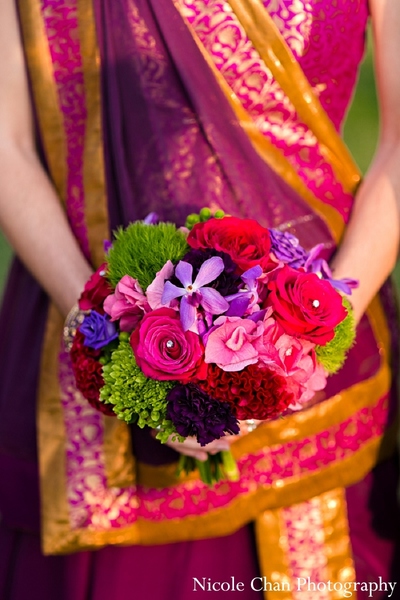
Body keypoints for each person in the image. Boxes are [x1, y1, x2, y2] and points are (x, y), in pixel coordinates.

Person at [0, 0, 399, 599]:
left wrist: (302, 344)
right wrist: (110, 336)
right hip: (92, 345)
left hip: (321, 345)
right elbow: (8, 146)